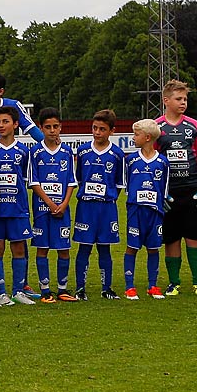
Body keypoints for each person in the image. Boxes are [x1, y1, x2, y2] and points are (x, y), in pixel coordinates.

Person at [154, 79, 197, 296]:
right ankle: (174, 282)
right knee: (172, 238)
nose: (183, 102)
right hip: (170, 192)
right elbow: (154, 159)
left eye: (185, 99)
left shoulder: (194, 126)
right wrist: (161, 193)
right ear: (166, 100)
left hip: (192, 190)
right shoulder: (157, 127)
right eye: (179, 99)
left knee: (194, 237)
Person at [73, 109, 126, 300]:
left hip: (106, 208)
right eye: (94, 128)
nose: (97, 132)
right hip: (86, 207)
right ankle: (80, 289)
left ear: (112, 131)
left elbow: (119, 184)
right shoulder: (83, 151)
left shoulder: (117, 155)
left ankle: (107, 288)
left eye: (102, 129)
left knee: (105, 247)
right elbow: (78, 178)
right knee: (84, 247)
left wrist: (107, 195)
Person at [0, 108, 35, 304]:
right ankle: (0, 291)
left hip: (18, 208)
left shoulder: (23, 151)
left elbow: (26, 179)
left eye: (5, 121)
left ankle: (18, 291)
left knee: (19, 249)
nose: (1, 125)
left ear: (15, 125)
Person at [29, 108, 77, 301]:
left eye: (55, 126)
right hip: (42, 209)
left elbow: (71, 182)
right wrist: (49, 203)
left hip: (62, 208)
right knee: (43, 247)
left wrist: (64, 204)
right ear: (41, 128)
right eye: (47, 127)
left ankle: (63, 289)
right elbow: (33, 182)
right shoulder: (35, 151)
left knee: (63, 248)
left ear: (60, 127)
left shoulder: (66, 151)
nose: (52, 130)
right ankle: (45, 290)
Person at [122, 119, 169, 299]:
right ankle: (129, 287)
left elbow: (164, 188)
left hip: (155, 212)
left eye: (136, 134)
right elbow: (127, 186)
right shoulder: (131, 160)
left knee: (153, 248)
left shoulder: (163, 162)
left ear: (147, 137)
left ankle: (153, 286)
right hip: (136, 210)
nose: (133, 138)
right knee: (132, 247)